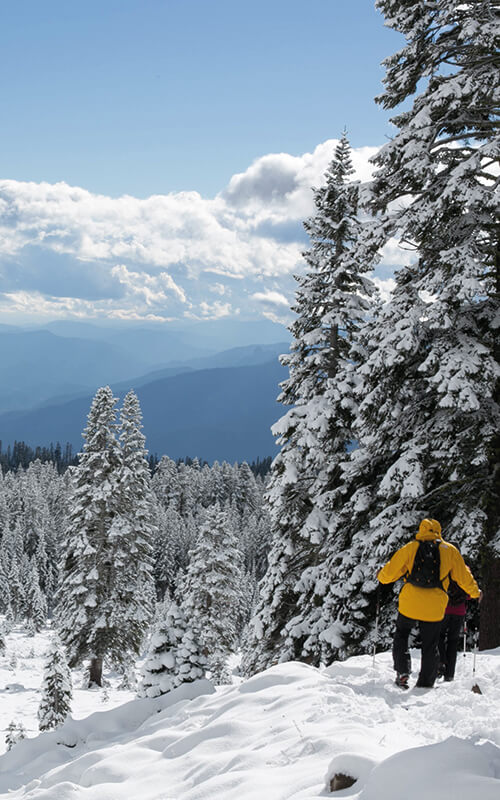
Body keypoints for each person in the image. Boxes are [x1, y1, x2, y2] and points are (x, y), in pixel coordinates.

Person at [377, 518, 481, 689]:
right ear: (439, 531)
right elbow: (464, 577)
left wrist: (380, 576)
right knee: (430, 643)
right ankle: (425, 682)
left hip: (410, 603)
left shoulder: (410, 548)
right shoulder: (450, 550)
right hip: (435, 605)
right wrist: (476, 593)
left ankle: (402, 671)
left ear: (421, 530)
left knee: (402, 634)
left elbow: (389, 573)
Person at [437, 575, 469, 681]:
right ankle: (449, 674)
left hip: (443, 609)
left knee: (439, 636)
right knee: (453, 641)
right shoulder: (464, 571)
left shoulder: (445, 568)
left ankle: (441, 660)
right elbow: (468, 594)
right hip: (459, 611)